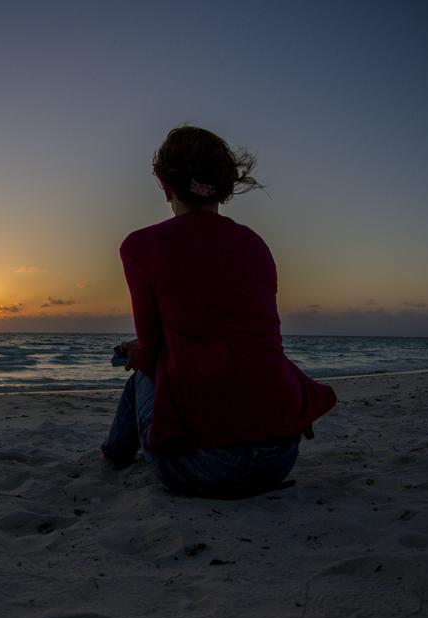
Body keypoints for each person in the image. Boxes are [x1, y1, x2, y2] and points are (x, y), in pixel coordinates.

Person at [102, 125, 337, 498]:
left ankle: (112, 456)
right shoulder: (255, 245)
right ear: (224, 188)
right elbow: (239, 333)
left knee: (141, 380)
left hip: (202, 468)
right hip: (278, 458)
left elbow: (154, 354)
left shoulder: (141, 246)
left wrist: (139, 351)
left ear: (165, 185)